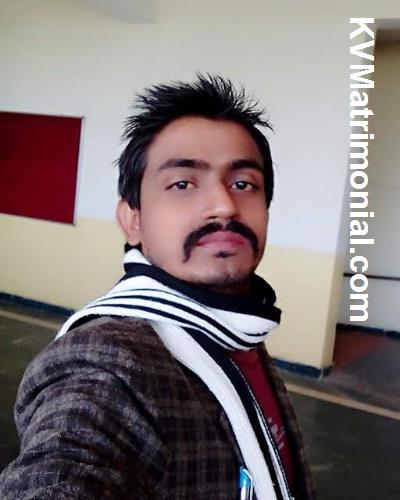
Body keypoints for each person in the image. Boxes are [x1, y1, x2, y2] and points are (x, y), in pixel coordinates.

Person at [0, 74, 315, 499]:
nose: (224, 205)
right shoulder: (106, 361)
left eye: (243, 184)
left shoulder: (236, 326)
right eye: (182, 184)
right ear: (132, 219)